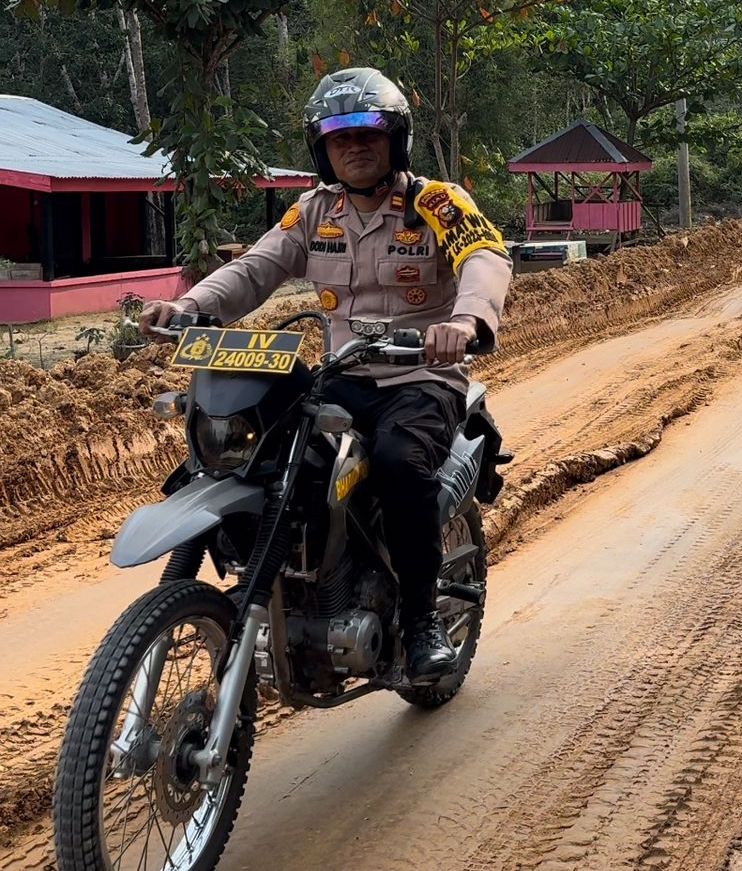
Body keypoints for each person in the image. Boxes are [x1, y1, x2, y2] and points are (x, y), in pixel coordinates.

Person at [140, 67, 512, 683]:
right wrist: (188, 307)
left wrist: (466, 320)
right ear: (323, 150)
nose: (355, 148)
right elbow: (255, 269)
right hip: (342, 375)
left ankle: (420, 619)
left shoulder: (437, 203)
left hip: (420, 378)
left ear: (395, 140)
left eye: (368, 135)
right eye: (340, 139)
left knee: (399, 463)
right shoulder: (314, 212)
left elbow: (484, 257)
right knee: (261, 450)